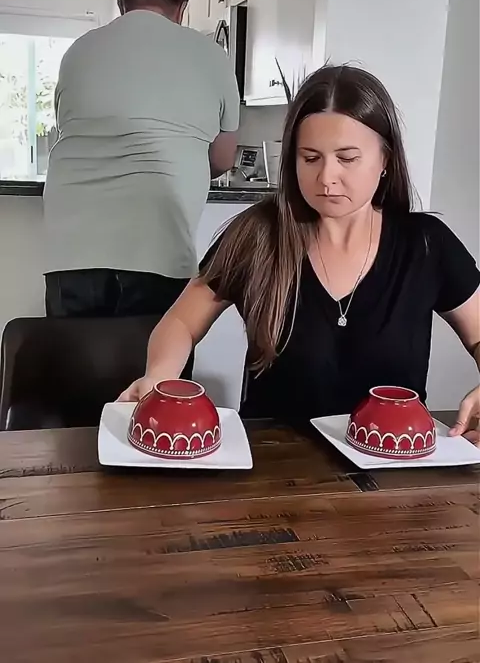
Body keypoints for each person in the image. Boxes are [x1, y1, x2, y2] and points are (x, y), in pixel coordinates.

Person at [119, 65, 480, 443]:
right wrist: (159, 374)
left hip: (394, 463)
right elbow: (182, 322)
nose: (327, 178)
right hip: (276, 465)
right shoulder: (258, 235)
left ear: (386, 159)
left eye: (347, 158)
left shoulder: (426, 244)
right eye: (310, 158)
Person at [43, 0, 239, 319]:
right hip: (160, 245)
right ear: (182, 8)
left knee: (73, 354)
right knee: (157, 354)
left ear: (122, 5)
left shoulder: (79, 50)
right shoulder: (212, 56)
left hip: (72, 249)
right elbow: (223, 159)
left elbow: (70, 129)